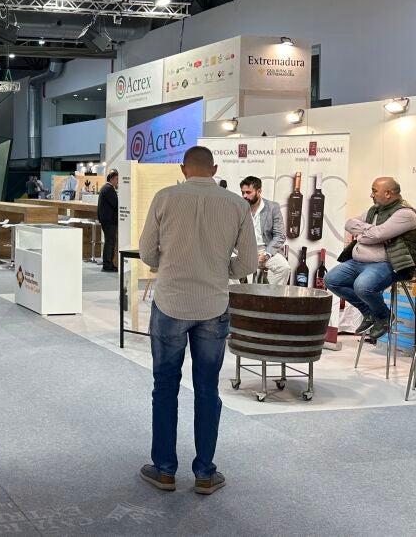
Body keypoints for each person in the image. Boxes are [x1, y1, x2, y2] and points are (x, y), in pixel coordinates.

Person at [137, 146, 256, 497]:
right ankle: (204, 472)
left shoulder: (164, 197)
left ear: (182, 168)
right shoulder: (237, 204)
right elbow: (248, 262)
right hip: (213, 306)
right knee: (207, 389)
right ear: (214, 169)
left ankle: (164, 470)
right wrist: (220, 270)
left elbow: (147, 252)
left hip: (170, 302)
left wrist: (170, 264)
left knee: (165, 386)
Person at [325, 177, 416, 342]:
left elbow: (377, 235)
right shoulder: (375, 210)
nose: (371, 195)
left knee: (363, 286)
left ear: (388, 193)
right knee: (331, 280)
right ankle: (369, 312)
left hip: (387, 263)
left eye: (374, 191)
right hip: (358, 261)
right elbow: (349, 223)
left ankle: (383, 316)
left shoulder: (406, 214)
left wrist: (364, 234)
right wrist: (371, 232)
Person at [238, 176, 291, 285]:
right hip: (243, 252)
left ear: (259, 191)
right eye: (243, 192)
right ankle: (238, 293)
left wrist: (266, 254)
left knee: (284, 268)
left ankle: (268, 294)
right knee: (223, 265)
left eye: (248, 192)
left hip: (265, 250)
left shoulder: (273, 208)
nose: (244, 196)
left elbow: (280, 235)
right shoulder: (238, 207)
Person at [97, 170, 120, 272]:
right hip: (109, 221)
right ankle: (108, 265)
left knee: (109, 241)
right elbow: (116, 204)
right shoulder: (109, 189)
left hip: (106, 220)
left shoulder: (105, 188)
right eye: (116, 179)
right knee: (110, 242)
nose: (118, 181)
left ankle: (108, 264)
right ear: (111, 179)